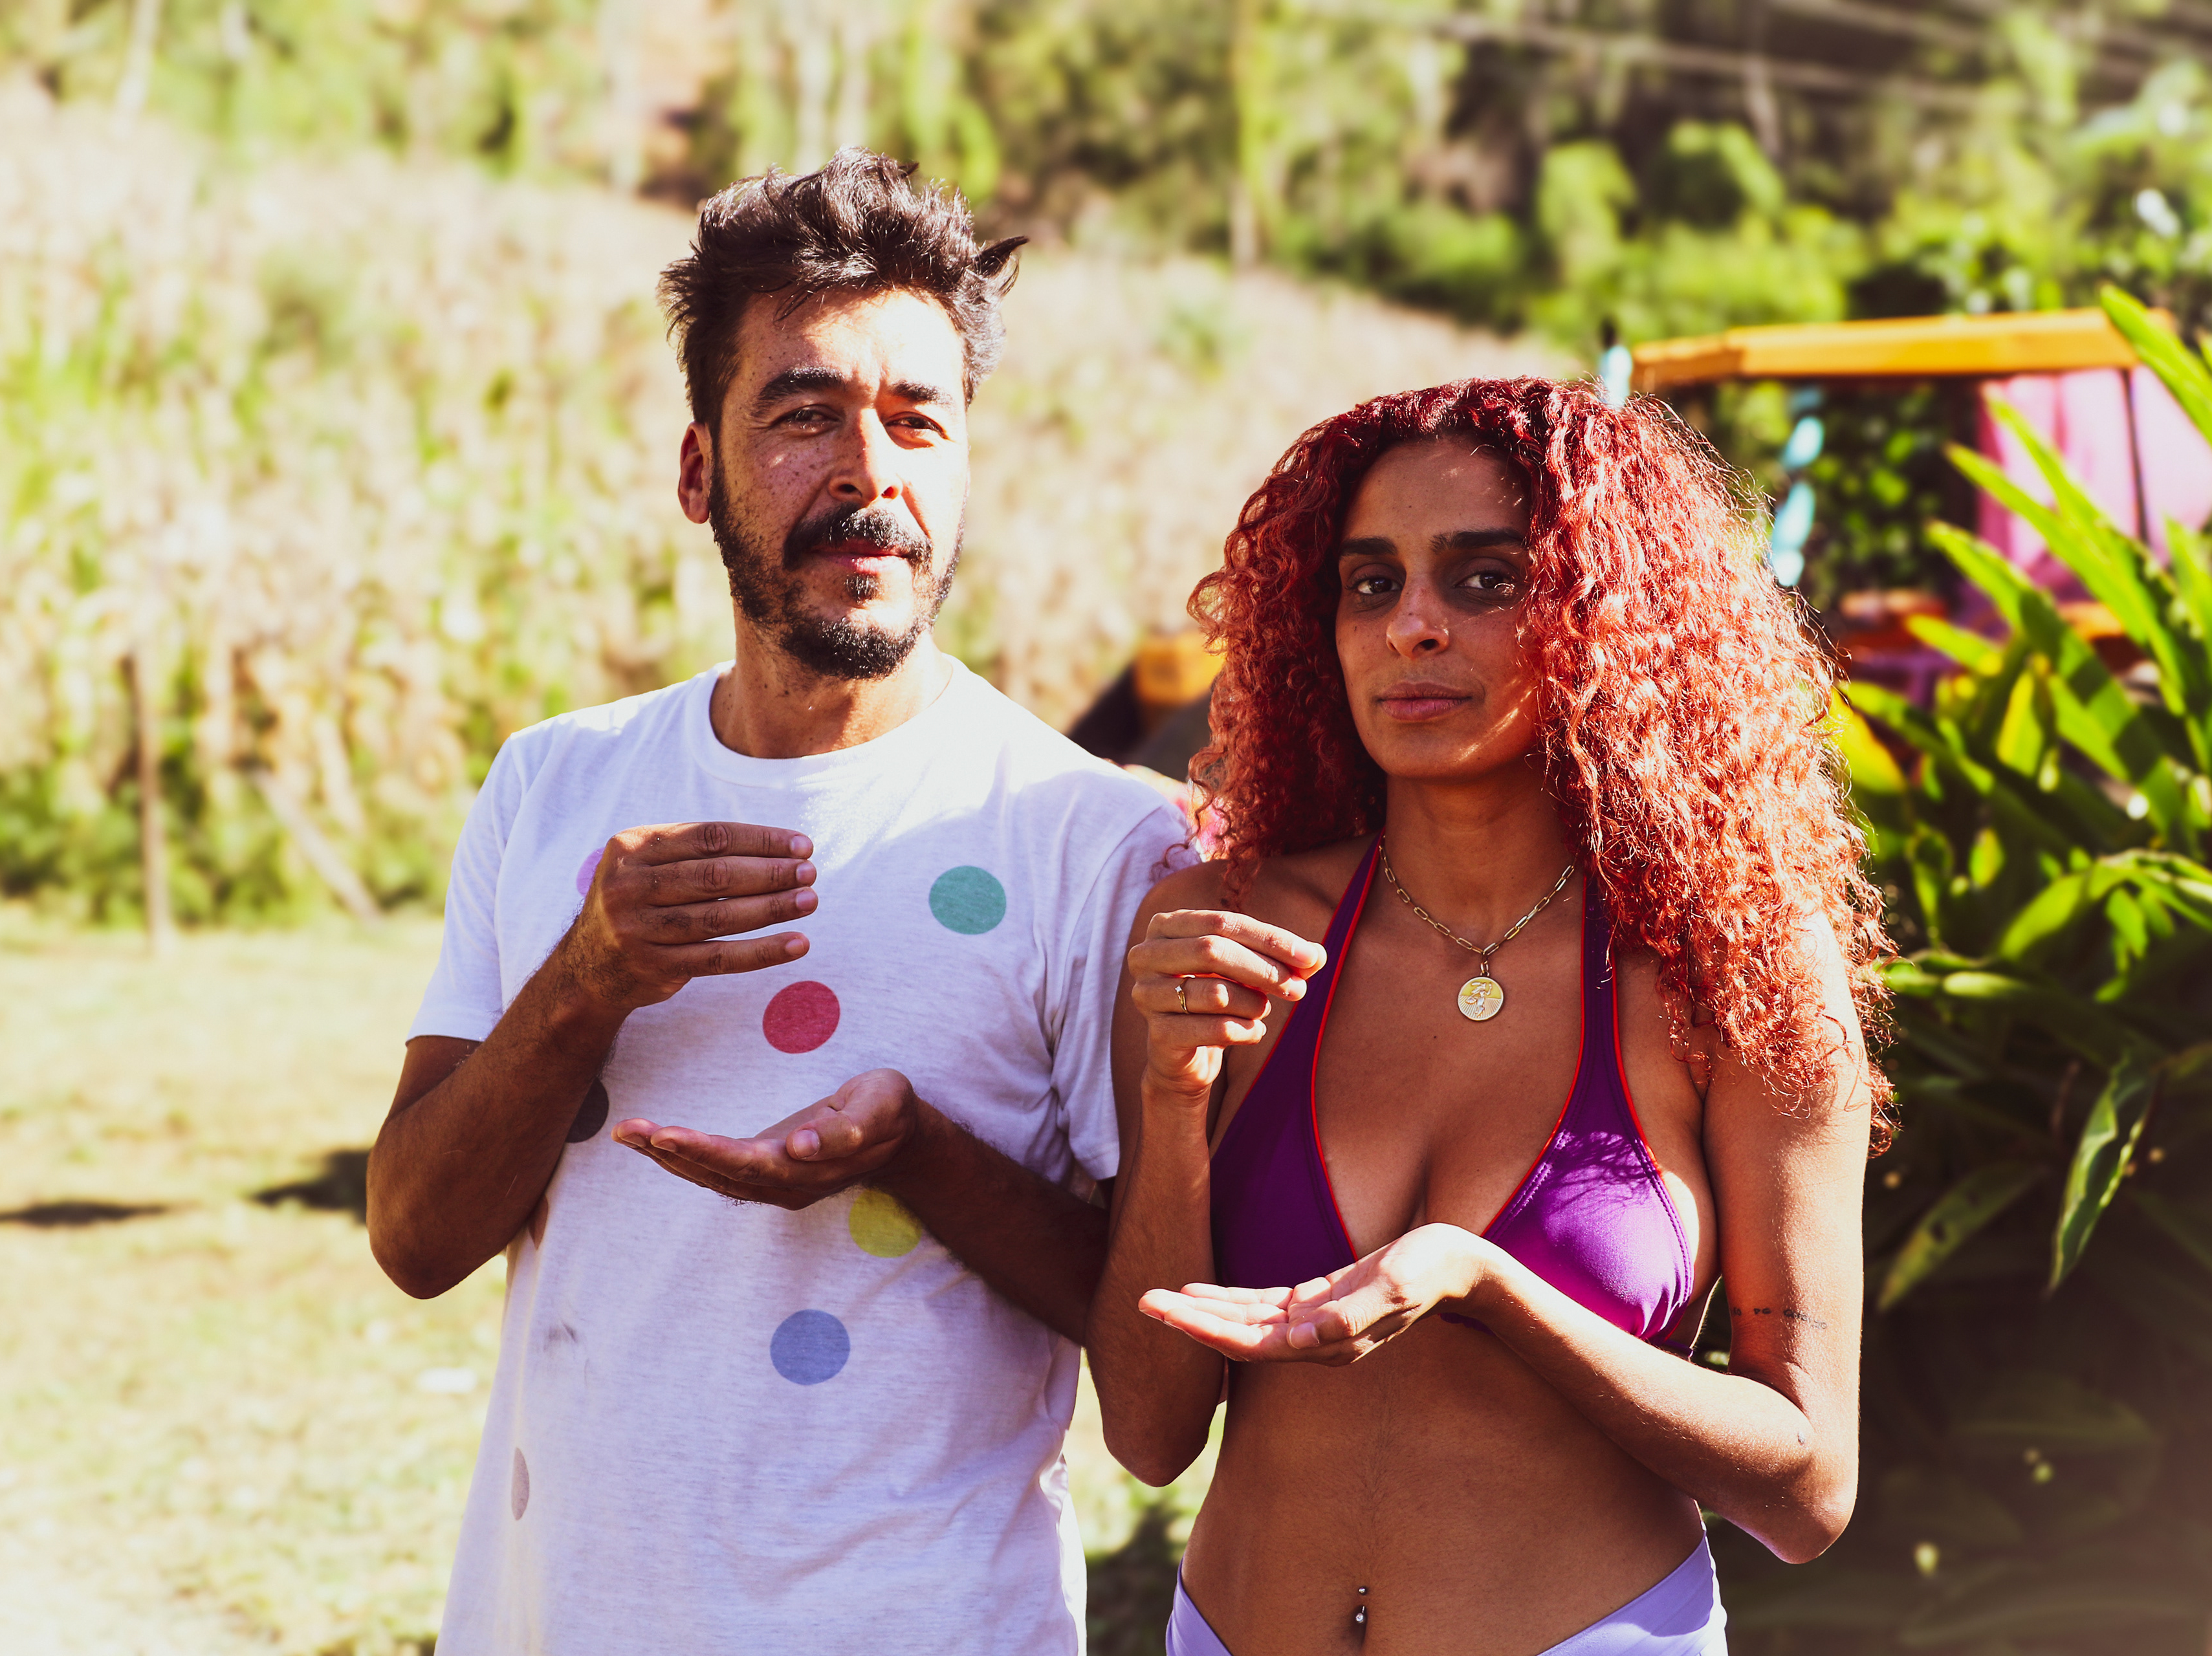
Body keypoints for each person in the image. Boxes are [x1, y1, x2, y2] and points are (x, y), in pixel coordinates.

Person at [367, 150, 1190, 1655]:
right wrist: (585, 980)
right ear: (699, 473)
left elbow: (1153, 1374)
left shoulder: (1097, 839)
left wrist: (916, 1152)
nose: (871, 471)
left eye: (918, 420)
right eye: (806, 414)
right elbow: (416, 1236)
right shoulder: (553, 784)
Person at [1088, 379, 1889, 1655]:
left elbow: (1809, 1486)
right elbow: (1147, 1433)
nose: (1412, 625)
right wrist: (1175, 1097)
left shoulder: (1728, 969)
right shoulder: (1225, 932)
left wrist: (1489, 1285)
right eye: (1371, 583)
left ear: (1610, 616)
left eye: (1484, 580)